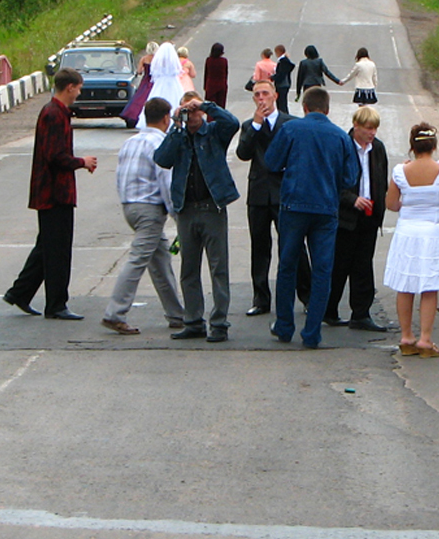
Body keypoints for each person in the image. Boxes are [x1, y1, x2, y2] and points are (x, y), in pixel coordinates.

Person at [264, 85, 358, 348]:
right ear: (327, 110)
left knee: (287, 267)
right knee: (322, 270)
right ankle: (312, 332)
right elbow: (350, 177)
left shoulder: (291, 129)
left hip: (294, 206)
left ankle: (284, 325)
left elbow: (272, 162)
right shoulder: (340, 137)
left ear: (304, 107)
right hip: (326, 209)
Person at [3, 68, 98, 320]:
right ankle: (56, 305)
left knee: (46, 245)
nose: (79, 93)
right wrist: (82, 162)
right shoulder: (54, 114)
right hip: (54, 192)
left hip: (52, 191)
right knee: (57, 250)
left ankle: (19, 293)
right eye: (78, 88)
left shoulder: (56, 112)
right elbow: (55, 156)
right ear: (70, 87)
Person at [153, 91, 240, 343]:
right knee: (188, 269)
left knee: (218, 268)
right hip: (186, 209)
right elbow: (161, 159)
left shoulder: (213, 133)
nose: (190, 116)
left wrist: (206, 105)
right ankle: (193, 320)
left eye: (194, 111)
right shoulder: (178, 137)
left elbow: (232, 123)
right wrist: (176, 128)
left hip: (212, 207)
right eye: (186, 110)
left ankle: (219, 323)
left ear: (201, 112)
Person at [101, 97, 186, 335]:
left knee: (160, 260)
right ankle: (115, 312)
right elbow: (165, 181)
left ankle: (177, 314)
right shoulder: (161, 143)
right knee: (138, 259)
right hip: (149, 208)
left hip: (130, 205)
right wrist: (176, 214)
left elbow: (119, 174)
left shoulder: (131, 141)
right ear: (167, 119)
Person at [236, 79, 311, 317]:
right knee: (260, 246)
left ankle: (307, 295)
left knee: (293, 246)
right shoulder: (249, 126)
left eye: (265, 94)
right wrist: (256, 126)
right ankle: (260, 298)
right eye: (257, 95)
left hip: (284, 193)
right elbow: (243, 153)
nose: (261, 99)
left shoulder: (290, 124)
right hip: (258, 193)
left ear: (275, 96)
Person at [383, 123, 439, 358]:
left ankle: (406, 336)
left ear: (411, 146)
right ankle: (425, 338)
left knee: (405, 285)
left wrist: (408, 203)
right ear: (433, 145)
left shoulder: (400, 171)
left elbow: (391, 204)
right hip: (432, 232)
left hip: (407, 231)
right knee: (429, 286)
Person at [324, 106, 389, 332]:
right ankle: (328, 309)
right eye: (369, 128)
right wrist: (352, 199)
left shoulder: (377, 148)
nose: (372, 133)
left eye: (375, 129)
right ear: (357, 126)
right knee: (339, 265)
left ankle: (361, 313)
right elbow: (332, 182)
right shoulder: (343, 146)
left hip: (369, 217)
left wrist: (378, 203)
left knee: (363, 266)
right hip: (345, 217)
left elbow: (381, 178)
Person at [142, 42, 185, 126]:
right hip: (172, 81)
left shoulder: (159, 60)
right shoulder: (172, 60)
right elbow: (177, 70)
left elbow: (155, 70)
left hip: (161, 81)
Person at [120, 41, 158, 128]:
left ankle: (133, 116)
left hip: (146, 81)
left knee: (139, 97)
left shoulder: (144, 59)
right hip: (155, 80)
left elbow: (139, 71)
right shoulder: (158, 59)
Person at [204, 43, 228, 110]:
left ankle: (210, 119)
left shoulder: (209, 60)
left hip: (210, 86)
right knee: (220, 107)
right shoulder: (224, 61)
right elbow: (226, 74)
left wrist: (205, 86)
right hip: (221, 85)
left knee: (210, 107)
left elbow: (206, 74)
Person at [272, 45, 295, 114]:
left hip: (282, 84)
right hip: (284, 84)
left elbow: (281, 73)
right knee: (281, 102)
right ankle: (282, 114)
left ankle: (283, 115)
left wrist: (273, 77)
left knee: (281, 102)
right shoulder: (283, 60)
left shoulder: (283, 61)